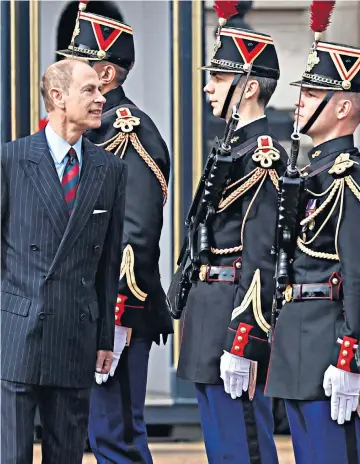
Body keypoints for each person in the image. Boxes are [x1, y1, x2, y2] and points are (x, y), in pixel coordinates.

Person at [264, 30, 360, 463]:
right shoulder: (313, 171)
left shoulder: (352, 178)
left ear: (343, 106)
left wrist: (350, 354)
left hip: (330, 348)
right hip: (299, 340)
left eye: (312, 91)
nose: (299, 100)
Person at [56, 8, 173, 463]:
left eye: (77, 65)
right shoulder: (83, 137)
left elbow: (136, 234)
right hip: (80, 312)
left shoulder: (129, 132)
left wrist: (116, 317)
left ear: (105, 74)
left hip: (115, 314)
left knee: (116, 438)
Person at [0, 58, 126, 464]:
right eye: (89, 90)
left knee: (66, 457)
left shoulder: (110, 170)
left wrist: (105, 336)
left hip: (76, 334)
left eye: (99, 91)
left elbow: (108, 263)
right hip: (17, 334)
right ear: (58, 96)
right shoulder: (11, 161)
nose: (100, 98)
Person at [175, 22, 287, 464]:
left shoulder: (262, 154)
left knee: (244, 448)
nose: (207, 86)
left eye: (219, 78)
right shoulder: (230, 147)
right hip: (209, 310)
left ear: (250, 87)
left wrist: (243, 339)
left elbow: (260, 254)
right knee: (222, 448)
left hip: (232, 318)